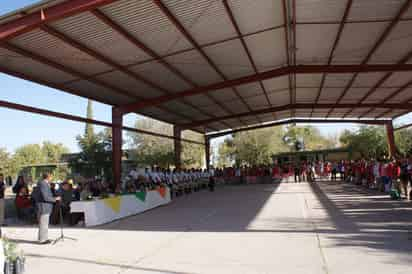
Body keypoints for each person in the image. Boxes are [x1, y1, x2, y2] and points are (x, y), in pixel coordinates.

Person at [36, 173, 61, 244]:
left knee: (45, 224)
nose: (52, 179)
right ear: (48, 177)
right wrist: (55, 199)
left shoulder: (45, 184)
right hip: (44, 206)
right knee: (43, 224)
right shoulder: (43, 184)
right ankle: (42, 240)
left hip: (46, 206)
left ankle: (45, 238)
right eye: (51, 177)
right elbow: (45, 197)